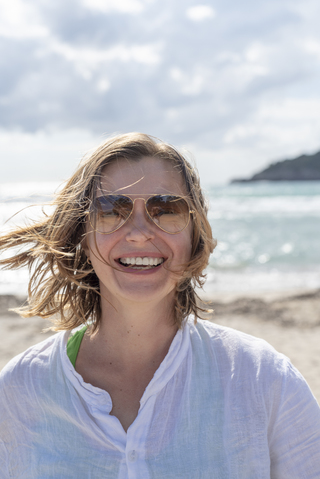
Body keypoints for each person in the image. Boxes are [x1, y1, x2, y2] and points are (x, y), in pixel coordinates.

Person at [0, 132, 319, 478]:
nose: (138, 231)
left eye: (166, 209)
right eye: (111, 209)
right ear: (82, 233)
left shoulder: (263, 379)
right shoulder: (20, 391)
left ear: (195, 233)